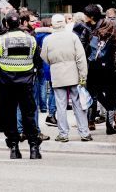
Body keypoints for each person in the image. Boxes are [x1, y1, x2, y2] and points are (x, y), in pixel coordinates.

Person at [0, 12, 42, 160]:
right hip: (26, 83)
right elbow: (37, 61)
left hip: (6, 83)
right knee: (28, 115)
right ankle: (34, 147)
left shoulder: (1, 40)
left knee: (9, 115)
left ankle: (14, 147)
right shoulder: (31, 40)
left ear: (7, 24)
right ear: (21, 22)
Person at [42, 14, 90, 143]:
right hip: (73, 74)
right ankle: (84, 132)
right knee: (78, 105)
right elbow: (81, 58)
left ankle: (63, 134)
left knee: (60, 105)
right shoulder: (73, 37)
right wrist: (83, 76)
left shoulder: (48, 39)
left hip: (57, 75)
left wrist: (54, 64)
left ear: (52, 24)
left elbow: (44, 57)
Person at [88, 17, 116, 134]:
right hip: (110, 71)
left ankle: (103, 113)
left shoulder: (93, 37)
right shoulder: (114, 38)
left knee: (96, 94)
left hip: (93, 70)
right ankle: (109, 126)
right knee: (112, 98)